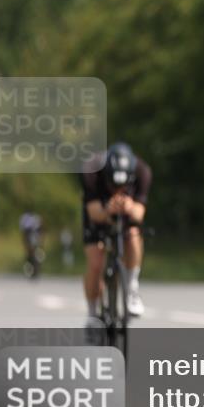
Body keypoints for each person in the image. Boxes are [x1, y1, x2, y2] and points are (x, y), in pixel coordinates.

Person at [80, 142, 152, 333]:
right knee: (95, 263)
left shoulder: (142, 171)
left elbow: (139, 213)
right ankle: (92, 315)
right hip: (99, 211)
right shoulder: (91, 170)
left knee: (134, 235)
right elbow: (93, 212)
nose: (117, 191)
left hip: (125, 215)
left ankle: (131, 289)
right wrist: (107, 210)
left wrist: (129, 207)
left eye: (122, 186)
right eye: (113, 186)